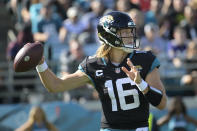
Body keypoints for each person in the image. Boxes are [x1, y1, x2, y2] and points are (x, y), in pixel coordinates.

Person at [36, 11, 167, 131]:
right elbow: (56, 85)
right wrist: (40, 64)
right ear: (110, 35)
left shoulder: (144, 59)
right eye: (125, 32)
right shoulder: (94, 65)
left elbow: (162, 104)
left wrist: (141, 83)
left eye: (130, 31)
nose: (131, 36)